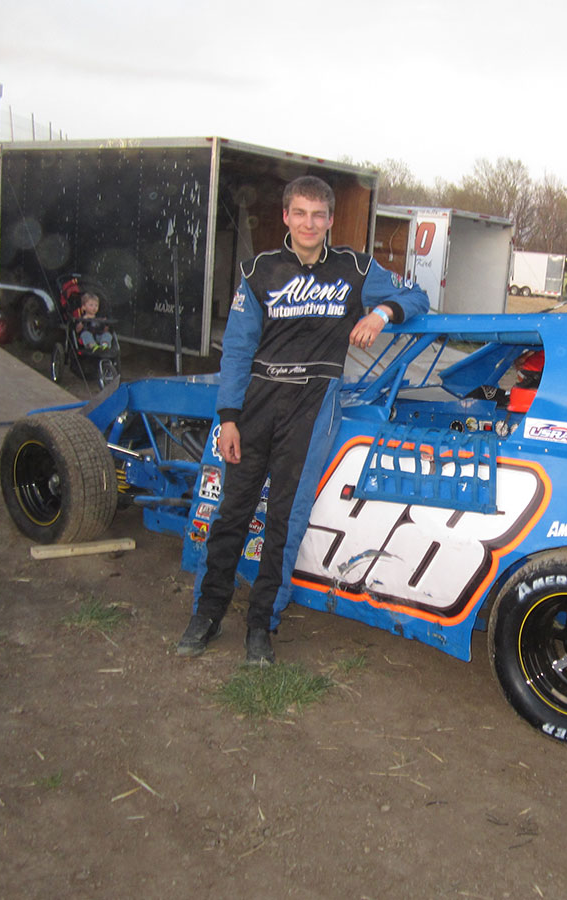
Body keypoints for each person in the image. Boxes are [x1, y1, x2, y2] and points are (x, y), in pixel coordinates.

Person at [177, 175, 430, 666]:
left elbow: (416, 296)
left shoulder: (355, 267)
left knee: (284, 520)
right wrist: (228, 418)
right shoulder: (260, 271)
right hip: (256, 403)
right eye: (300, 213)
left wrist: (380, 313)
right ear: (287, 218)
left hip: (313, 407)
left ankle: (260, 625)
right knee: (231, 513)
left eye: (319, 215)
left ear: (331, 220)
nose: (309, 223)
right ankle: (206, 613)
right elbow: (236, 350)